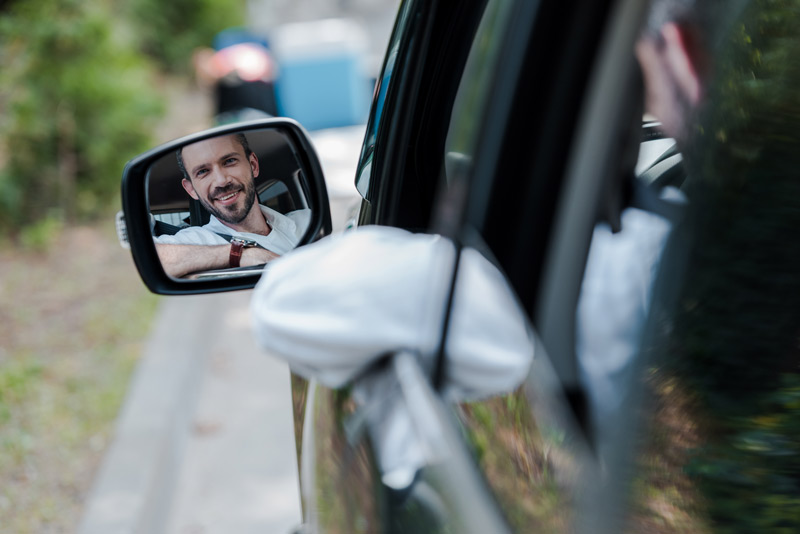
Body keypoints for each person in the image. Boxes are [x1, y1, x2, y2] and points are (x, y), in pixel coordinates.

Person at [155, 133, 310, 278]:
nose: (221, 181)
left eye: (229, 161)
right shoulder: (198, 241)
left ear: (253, 165)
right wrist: (240, 254)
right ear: (190, 189)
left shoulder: (306, 220)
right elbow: (148, 259)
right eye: (203, 171)